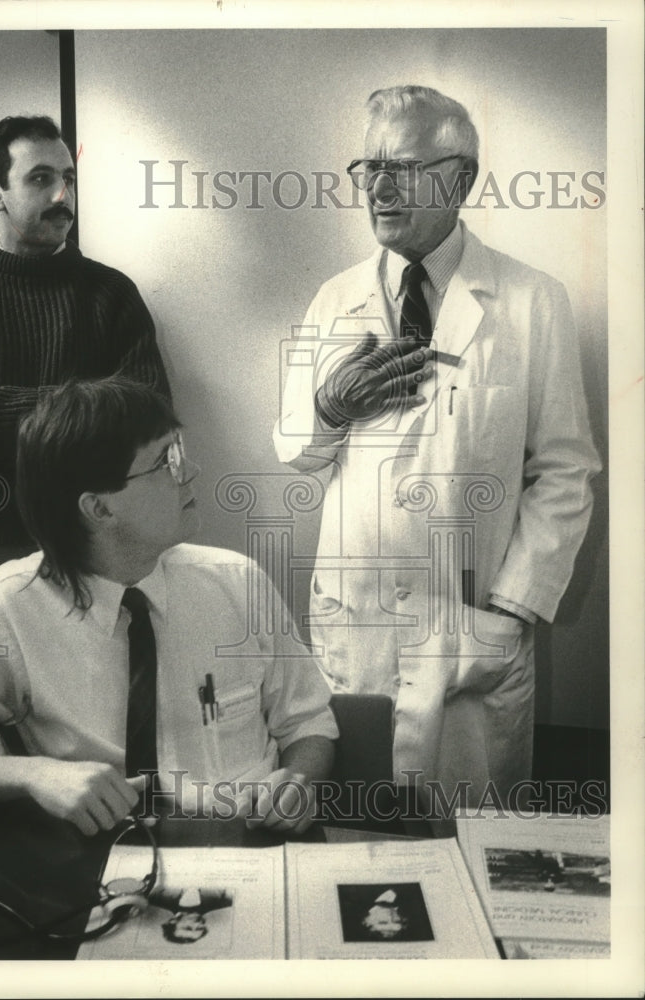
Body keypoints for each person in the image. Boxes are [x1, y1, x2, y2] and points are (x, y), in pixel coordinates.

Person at [273, 85, 600, 806]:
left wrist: (511, 609)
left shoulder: (529, 300)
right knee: (353, 833)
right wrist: (329, 407)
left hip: (470, 630)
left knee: (471, 836)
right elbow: (296, 452)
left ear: (459, 179)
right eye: (367, 167)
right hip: (353, 624)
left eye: (403, 167)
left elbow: (564, 470)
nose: (377, 188)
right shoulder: (336, 299)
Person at [0, 376, 337, 836]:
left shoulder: (238, 584)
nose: (192, 470)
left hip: (251, 843)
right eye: (168, 460)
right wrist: (34, 775)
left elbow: (308, 723)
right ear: (99, 509)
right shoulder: (2, 611)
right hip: (101, 868)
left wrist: (300, 779)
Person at [0, 115, 170, 600]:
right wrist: (87, 403)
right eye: (41, 178)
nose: (62, 196)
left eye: (68, 178)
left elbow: (146, 416)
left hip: (99, 543)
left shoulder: (111, 293)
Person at [148, 887, 233, 944]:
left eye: (188, 927)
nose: (196, 924)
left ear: (172, 921)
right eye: (199, 928)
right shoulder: (224, 902)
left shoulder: (157, 898)